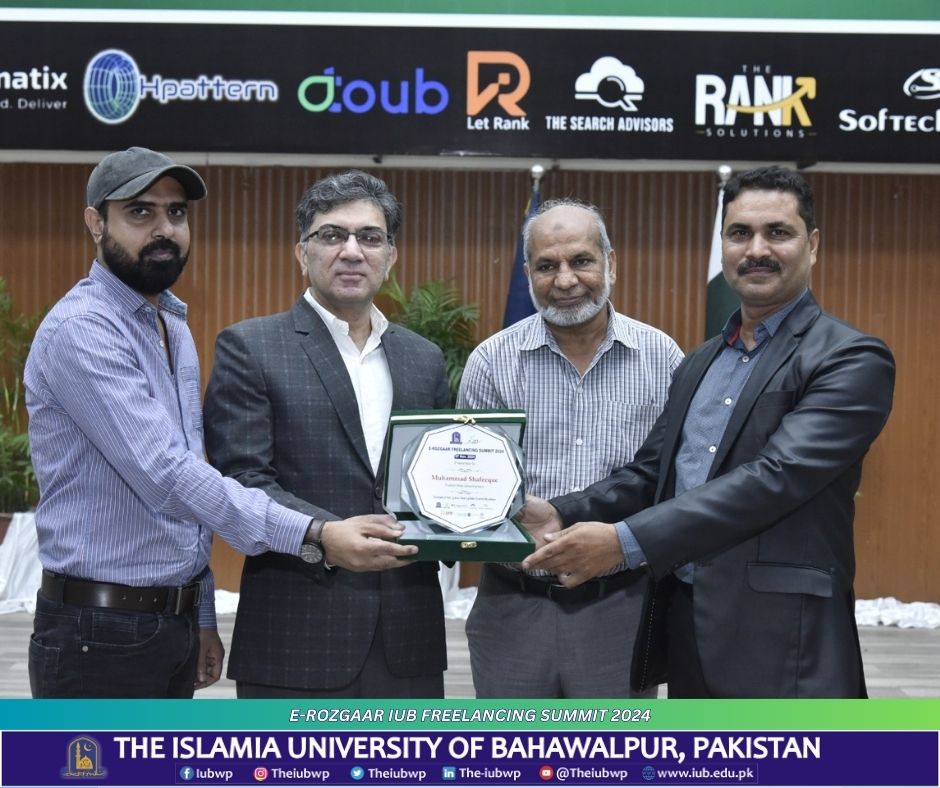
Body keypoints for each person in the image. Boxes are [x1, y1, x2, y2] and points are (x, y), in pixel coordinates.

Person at [521, 166, 895, 698]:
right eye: (740, 233)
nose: (756, 249)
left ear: (812, 245)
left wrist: (624, 542)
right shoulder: (699, 361)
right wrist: (561, 512)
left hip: (786, 641)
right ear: (723, 246)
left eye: (777, 232)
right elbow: (653, 473)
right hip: (688, 629)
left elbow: (774, 478)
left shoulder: (850, 358)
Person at [24, 147, 330, 698]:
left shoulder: (172, 325)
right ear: (96, 223)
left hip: (169, 623)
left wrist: (200, 612)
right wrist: (312, 534)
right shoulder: (82, 330)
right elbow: (167, 475)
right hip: (98, 634)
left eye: (177, 212)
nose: (164, 228)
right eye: (140, 212)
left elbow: (189, 474)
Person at [203, 170, 450, 698]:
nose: (352, 251)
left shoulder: (423, 358)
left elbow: (439, 481)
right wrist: (323, 536)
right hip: (296, 637)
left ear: (391, 256)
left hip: (409, 641)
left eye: (370, 237)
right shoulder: (251, 347)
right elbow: (243, 481)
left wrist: (473, 519)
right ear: (302, 252)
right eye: (332, 235)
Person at [457, 199, 683, 698]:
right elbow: (467, 487)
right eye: (546, 265)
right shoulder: (491, 362)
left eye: (581, 260)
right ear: (528, 274)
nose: (565, 280)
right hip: (512, 608)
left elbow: (671, 482)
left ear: (610, 263)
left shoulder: (663, 358)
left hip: (621, 608)